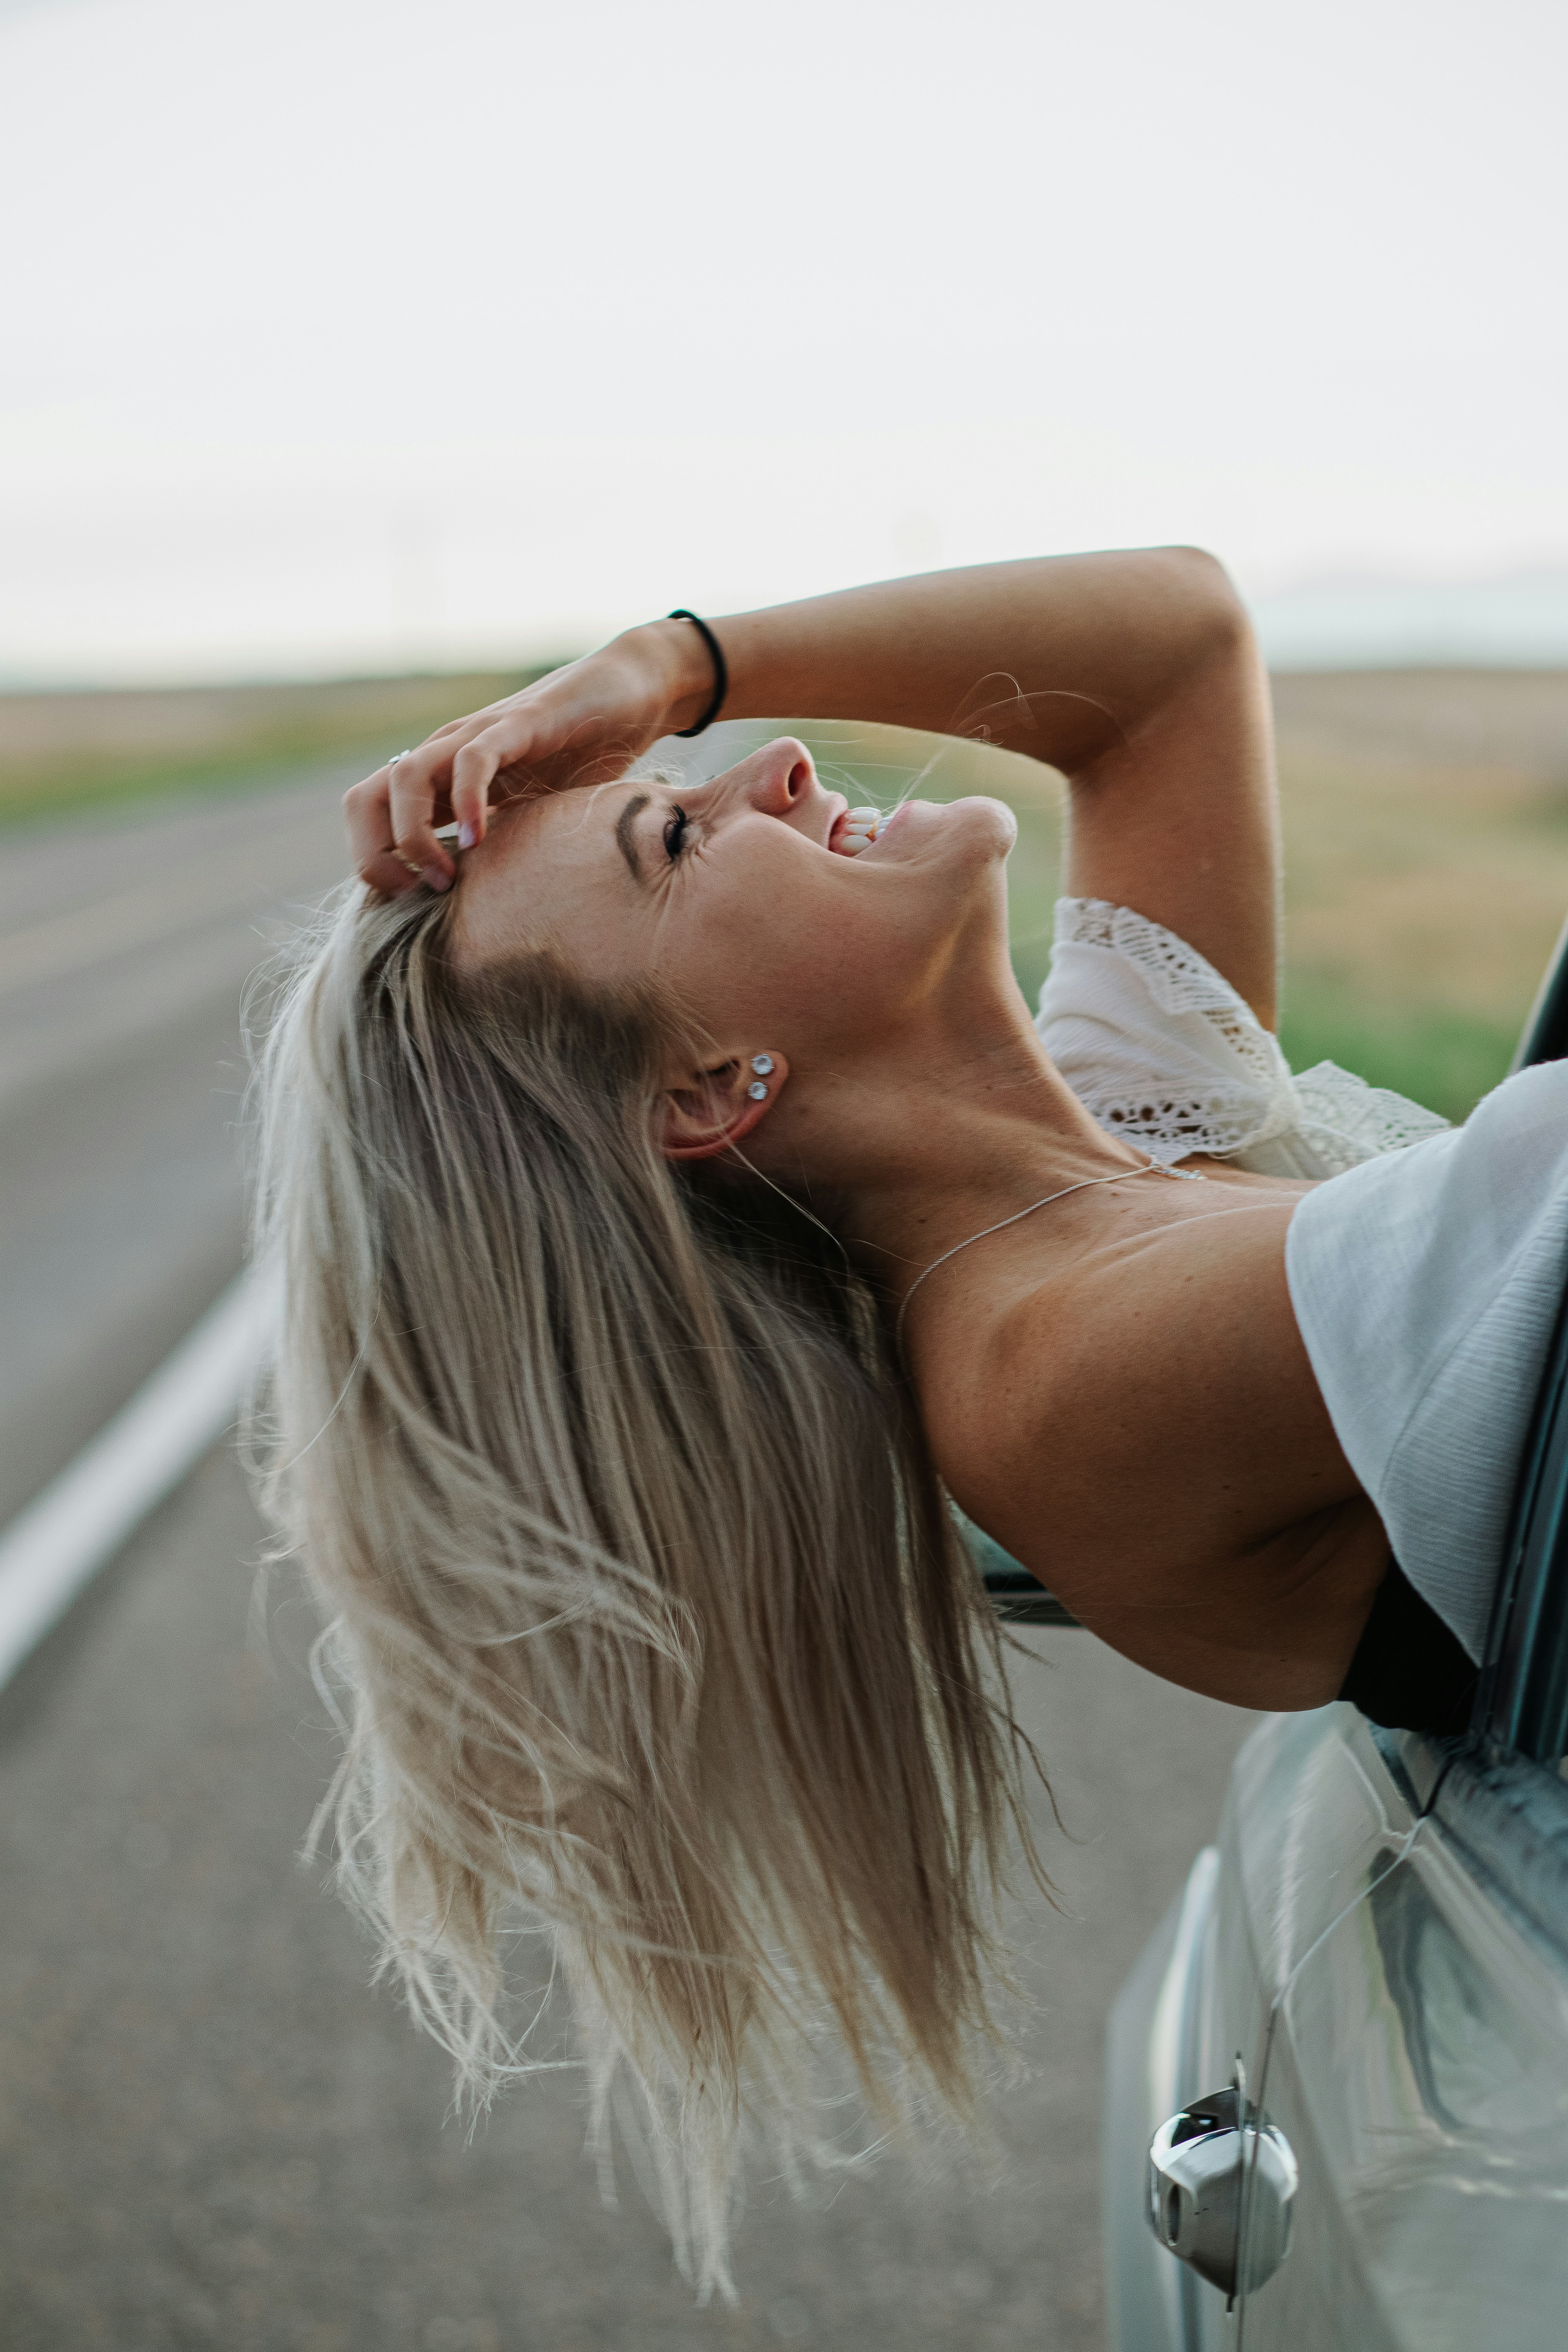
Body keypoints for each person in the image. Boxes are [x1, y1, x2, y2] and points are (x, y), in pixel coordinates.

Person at [253, 551, 1568, 2293]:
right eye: (681, 838)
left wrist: (665, 666)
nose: (777, 770)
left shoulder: (1126, 1148)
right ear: (709, 1089)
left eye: (688, 781)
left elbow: (1171, 651)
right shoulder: (1056, 1369)